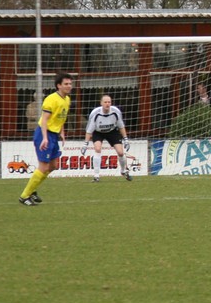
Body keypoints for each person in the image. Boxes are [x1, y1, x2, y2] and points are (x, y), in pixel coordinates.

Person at [19, 72, 73, 206]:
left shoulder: (67, 99)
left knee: (53, 166)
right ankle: (24, 196)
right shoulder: (51, 99)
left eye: (70, 83)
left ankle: (32, 190)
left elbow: (61, 117)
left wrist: (62, 132)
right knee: (43, 166)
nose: (69, 86)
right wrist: (44, 138)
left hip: (53, 135)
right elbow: (44, 120)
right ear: (58, 85)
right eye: (66, 84)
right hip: (44, 134)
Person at [82, 94, 131, 182]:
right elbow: (89, 131)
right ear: (101, 103)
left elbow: (121, 126)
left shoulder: (115, 112)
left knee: (120, 152)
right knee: (97, 149)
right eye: (105, 102)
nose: (107, 104)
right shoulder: (95, 113)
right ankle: (96, 176)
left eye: (109, 102)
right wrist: (85, 144)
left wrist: (126, 139)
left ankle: (123, 171)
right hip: (98, 132)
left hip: (112, 131)